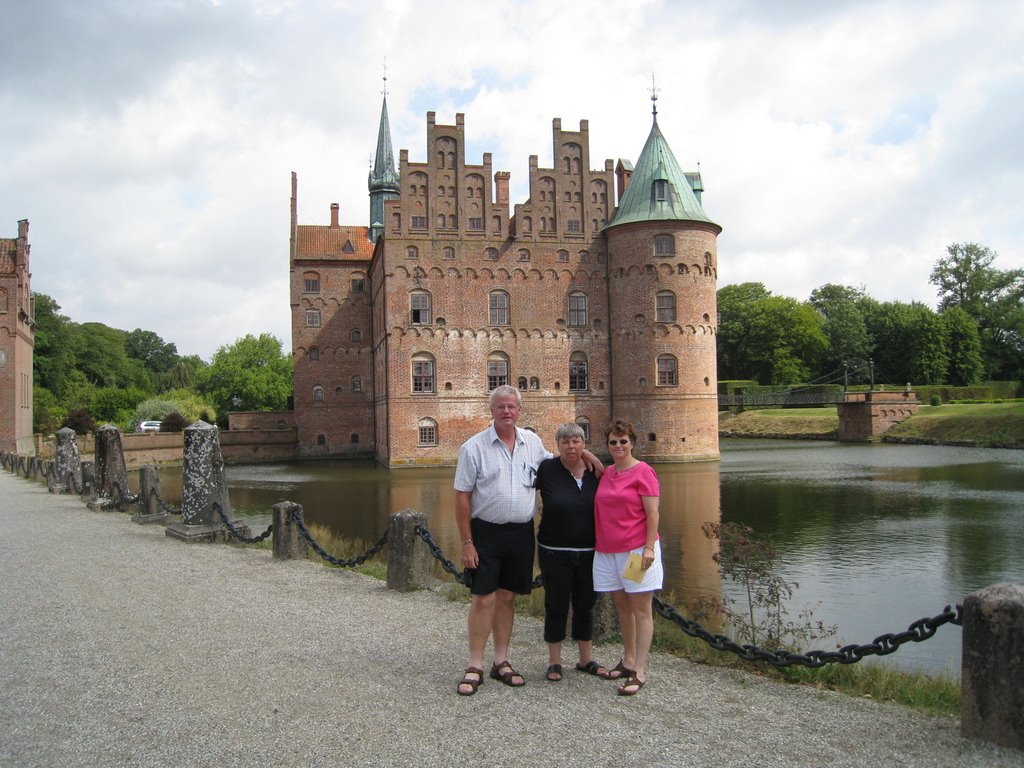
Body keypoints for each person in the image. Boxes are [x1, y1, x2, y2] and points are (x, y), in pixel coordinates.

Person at [453, 386, 600, 696]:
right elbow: (462, 497)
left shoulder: (532, 443)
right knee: (482, 598)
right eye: (501, 407)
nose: (507, 411)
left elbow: (559, 462)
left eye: (512, 407)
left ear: (519, 411)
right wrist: (467, 541)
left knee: (507, 598)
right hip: (486, 532)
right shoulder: (473, 447)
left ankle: (501, 661)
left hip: (521, 533)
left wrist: (581, 451)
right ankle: (474, 664)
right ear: (491, 410)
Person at [592, 419, 662, 696]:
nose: (618, 446)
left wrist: (648, 548)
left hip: (635, 551)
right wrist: (585, 452)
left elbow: (653, 514)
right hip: (608, 551)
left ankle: (639, 670)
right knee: (623, 609)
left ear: (633, 443)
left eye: (623, 441)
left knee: (641, 610)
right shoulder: (607, 472)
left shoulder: (644, 472)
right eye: (613, 442)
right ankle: (628, 659)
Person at [535, 424, 607, 682]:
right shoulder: (547, 469)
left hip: (589, 551)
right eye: (565, 442)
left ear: (584, 443)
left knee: (585, 605)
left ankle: (586, 658)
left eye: (576, 441)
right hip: (554, 551)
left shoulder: (596, 473)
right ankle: (554, 661)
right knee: (556, 604)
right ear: (557, 446)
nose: (571, 446)